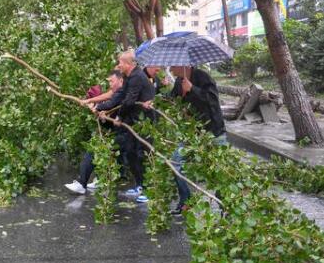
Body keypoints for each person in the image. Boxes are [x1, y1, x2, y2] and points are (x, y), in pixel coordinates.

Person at [96, 50, 156, 203]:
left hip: (144, 123)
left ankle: (150, 190)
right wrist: (99, 107)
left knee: (143, 155)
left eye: (120, 63)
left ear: (129, 64)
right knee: (130, 152)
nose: (118, 65)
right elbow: (119, 96)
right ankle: (140, 185)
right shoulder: (128, 77)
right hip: (133, 122)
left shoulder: (137, 77)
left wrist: (119, 116)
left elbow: (129, 101)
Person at [169, 65, 227, 215]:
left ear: (183, 65)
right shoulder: (178, 81)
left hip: (213, 132)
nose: (170, 68)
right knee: (175, 164)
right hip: (192, 133)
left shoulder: (203, 77)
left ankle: (225, 206)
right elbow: (171, 99)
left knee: (222, 172)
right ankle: (186, 202)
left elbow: (212, 101)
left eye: (173, 65)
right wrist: (154, 103)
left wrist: (193, 89)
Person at [64, 70, 124, 194]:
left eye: (112, 81)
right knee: (100, 153)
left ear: (121, 80)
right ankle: (99, 180)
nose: (110, 85)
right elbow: (110, 105)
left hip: (123, 133)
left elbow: (111, 103)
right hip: (115, 131)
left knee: (93, 152)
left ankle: (82, 184)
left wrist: (96, 107)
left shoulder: (123, 92)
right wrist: (101, 114)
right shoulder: (118, 92)